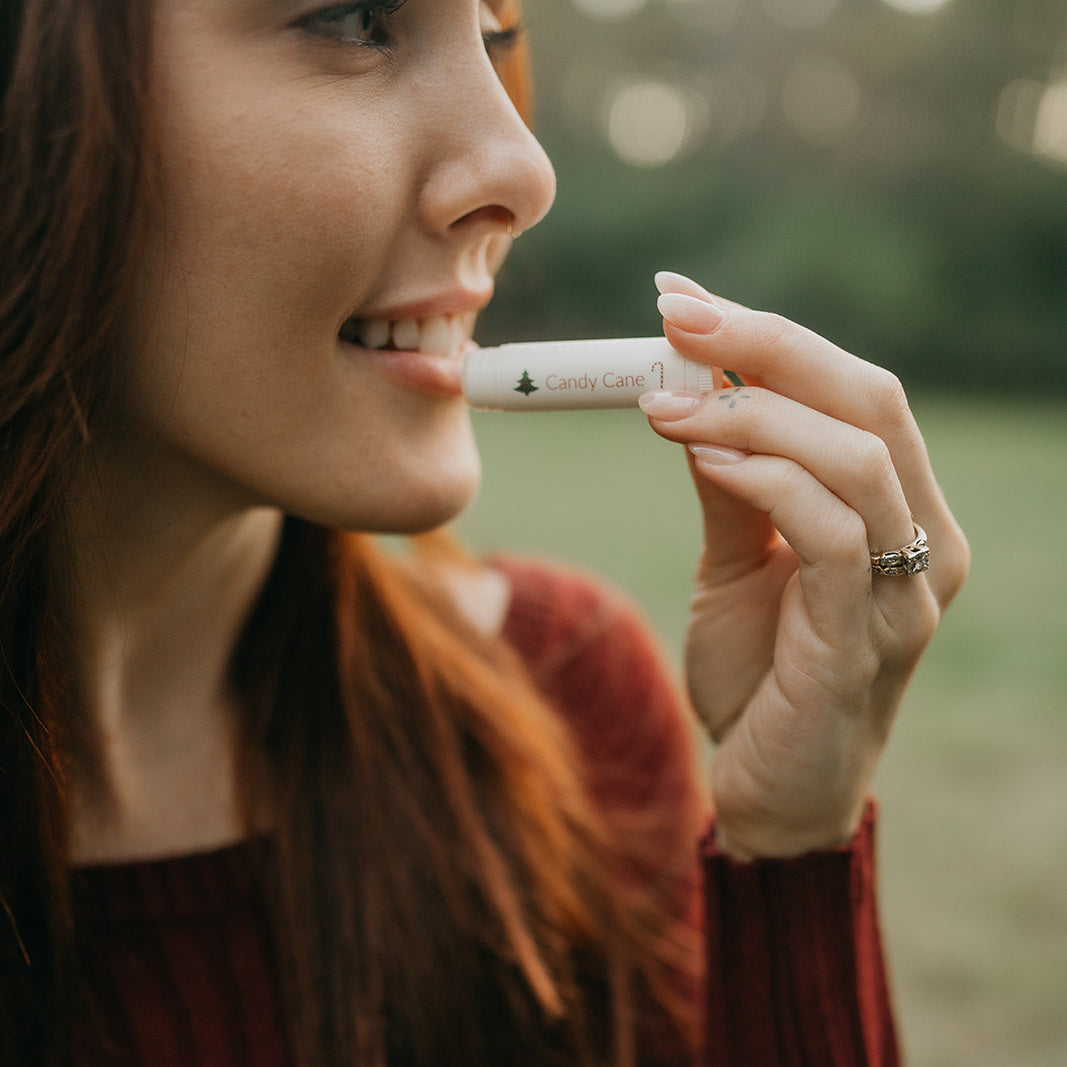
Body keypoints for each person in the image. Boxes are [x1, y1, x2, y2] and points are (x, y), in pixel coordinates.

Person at [0, 0, 970, 1064]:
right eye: (354, 19)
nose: (523, 165)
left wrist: (791, 849)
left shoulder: (561, 701)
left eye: (498, 28)